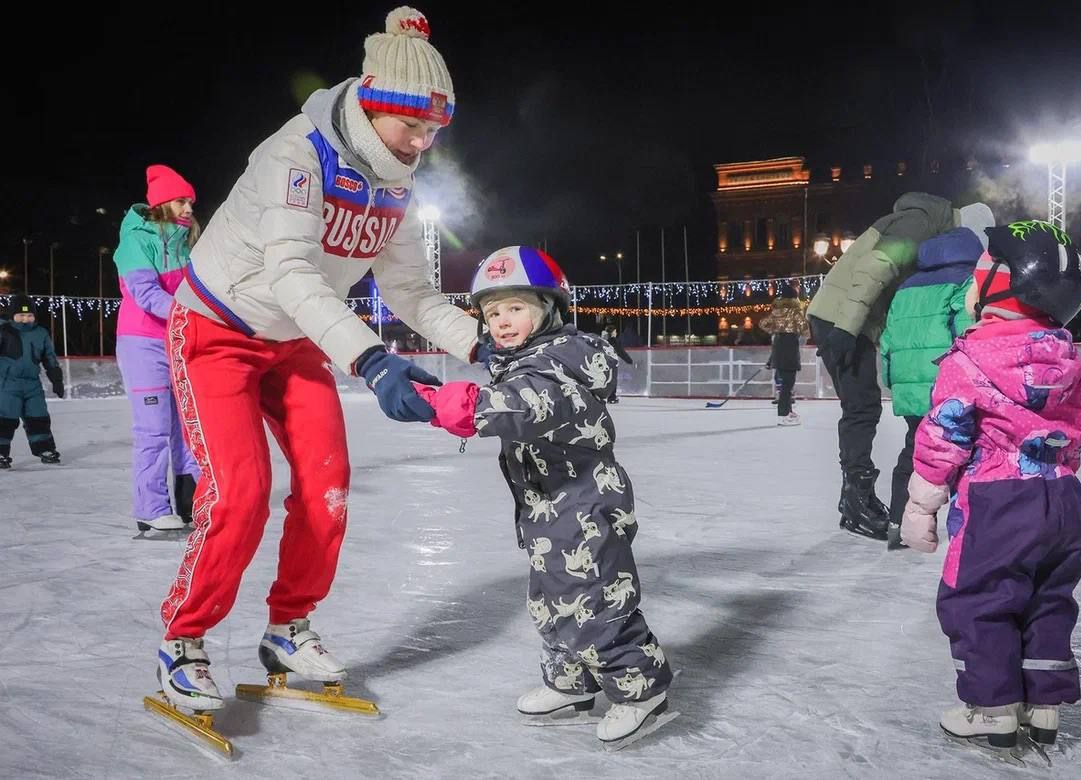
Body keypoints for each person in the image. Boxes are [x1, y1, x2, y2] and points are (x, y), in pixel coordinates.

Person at [153, 7, 481, 716]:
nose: (424, 142)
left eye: (434, 131)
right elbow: (292, 273)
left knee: (328, 489)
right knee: (240, 495)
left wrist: (486, 343)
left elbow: (408, 289)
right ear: (374, 101)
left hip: (298, 339)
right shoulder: (295, 156)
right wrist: (371, 359)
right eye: (414, 126)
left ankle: (287, 630)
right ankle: (185, 639)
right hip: (219, 330)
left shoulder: (396, 179)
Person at [419, 246, 675, 748]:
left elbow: (519, 407)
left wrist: (436, 402)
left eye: (515, 308)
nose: (502, 322)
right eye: (493, 313)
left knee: (596, 600)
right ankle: (571, 684)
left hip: (585, 505)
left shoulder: (561, 364)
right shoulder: (526, 361)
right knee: (551, 597)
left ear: (548, 308)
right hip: (545, 504)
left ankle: (642, 689)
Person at [901, 221, 1081, 754]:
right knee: (1050, 597)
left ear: (1004, 286)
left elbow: (944, 436)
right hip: (1064, 499)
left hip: (996, 502)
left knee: (982, 601)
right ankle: (1043, 705)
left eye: (978, 275)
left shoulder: (969, 359)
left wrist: (921, 504)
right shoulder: (1064, 354)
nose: (969, 285)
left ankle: (992, 710)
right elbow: (1075, 430)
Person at [806, 193, 994, 541]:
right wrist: (845, 329)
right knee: (861, 408)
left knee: (862, 407)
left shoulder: (926, 227)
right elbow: (876, 267)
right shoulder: (920, 221)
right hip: (844, 317)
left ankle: (856, 498)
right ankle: (856, 500)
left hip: (846, 317)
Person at [879, 227, 980, 549]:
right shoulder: (967, 280)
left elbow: (887, 340)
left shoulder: (905, 287)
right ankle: (970, 529)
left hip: (908, 385)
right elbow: (969, 333)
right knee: (966, 453)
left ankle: (898, 522)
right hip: (946, 386)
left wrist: (891, 379)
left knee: (915, 450)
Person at [112, 165, 201, 532]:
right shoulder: (135, 240)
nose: (189, 208)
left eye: (191, 202)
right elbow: (146, 293)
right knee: (153, 429)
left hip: (179, 341)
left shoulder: (188, 242)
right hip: (142, 342)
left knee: (187, 426)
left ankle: (190, 502)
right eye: (182, 201)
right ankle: (150, 509)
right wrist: (195, 316)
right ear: (163, 202)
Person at [0, 295, 63, 468]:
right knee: (5, 419)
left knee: (38, 417)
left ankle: (45, 449)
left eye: (29, 316)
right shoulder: (4, 331)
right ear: (12, 315)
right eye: (21, 315)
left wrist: (56, 379)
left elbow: (49, 357)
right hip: (7, 384)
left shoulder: (40, 333)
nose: (25, 319)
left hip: (32, 385)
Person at [759, 285, 808, 425]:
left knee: (786, 385)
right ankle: (783, 414)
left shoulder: (778, 312)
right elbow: (805, 333)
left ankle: (788, 410)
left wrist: (775, 331)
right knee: (787, 386)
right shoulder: (794, 313)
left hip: (780, 353)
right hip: (789, 353)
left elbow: (763, 324)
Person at [600, 318, 633, 403]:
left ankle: (603, 396)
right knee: (612, 380)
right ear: (612, 332)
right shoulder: (613, 341)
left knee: (604, 380)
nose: (616, 333)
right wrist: (629, 360)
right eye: (615, 331)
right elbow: (621, 351)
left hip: (602, 363)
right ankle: (611, 398)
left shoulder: (603, 341)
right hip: (611, 363)